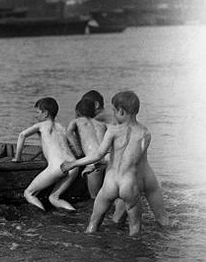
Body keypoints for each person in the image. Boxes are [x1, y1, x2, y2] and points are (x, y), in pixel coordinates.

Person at [61, 90, 167, 236]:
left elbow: (98, 155)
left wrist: (73, 164)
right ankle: (132, 247)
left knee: (93, 223)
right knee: (135, 228)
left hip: (110, 182)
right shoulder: (145, 133)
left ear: (121, 111)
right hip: (128, 183)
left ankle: (89, 242)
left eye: (114, 111)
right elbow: (139, 161)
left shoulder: (113, 131)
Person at [12, 97, 79, 211]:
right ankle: (73, 212)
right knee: (54, 198)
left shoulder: (41, 125)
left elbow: (22, 135)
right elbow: (72, 146)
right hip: (73, 165)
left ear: (46, 113)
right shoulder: (62, 127)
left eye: (38, 112)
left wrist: (17, 158)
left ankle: (42, 216)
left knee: (28, 193)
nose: (36, 116)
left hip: (58, 167)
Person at [66, 97, 107, 198]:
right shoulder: (102, 124)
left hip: (94, 164)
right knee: (108, 197)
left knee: (95, 198)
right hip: (107, 161)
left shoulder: (76, 122)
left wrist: (78, 151)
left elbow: (69, 133)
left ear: (78, 112)